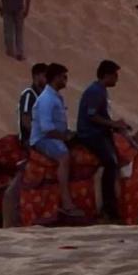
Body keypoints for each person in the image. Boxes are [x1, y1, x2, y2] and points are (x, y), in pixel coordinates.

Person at [76, 60, 129, 222]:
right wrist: (113, 124)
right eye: (115, 75)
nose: (117, 79)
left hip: (100, 132)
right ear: (106, 75)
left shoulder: (101, 91)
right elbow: (92, 116)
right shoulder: (95, 92)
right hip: (90, 134)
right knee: (110, 163)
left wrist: (116, 125)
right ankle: (109, 205)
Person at [29, 62, 83, 217]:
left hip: (55, 135)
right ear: (55, 78)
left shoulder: (56, 97)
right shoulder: (47, 99)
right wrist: (65, 137)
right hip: (42, 139)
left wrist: (69, 134)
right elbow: (46, 128)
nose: (66, 80)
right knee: (64, 156)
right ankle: (67, 203)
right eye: (63, 77)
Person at [18, 63, 47, 147]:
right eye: (45, 76)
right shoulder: (29, 95)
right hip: (30, 140)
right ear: (36, 76)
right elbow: (25, 121)